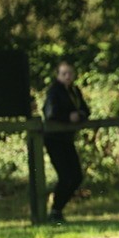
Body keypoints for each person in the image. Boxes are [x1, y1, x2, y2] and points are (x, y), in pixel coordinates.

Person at [42, 61, 89, 224]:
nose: (68, 76)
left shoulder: (75, 91)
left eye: (70, 73)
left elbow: (85, 109)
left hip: (67, 139)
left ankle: (57, 210)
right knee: (65, 176)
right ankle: (55, 211)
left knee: (76, 176)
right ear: (58, 75)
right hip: (54, 139)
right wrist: (68, 117)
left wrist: (79, 116)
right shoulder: (54, 92)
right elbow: (50, 114)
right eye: (64, 74)